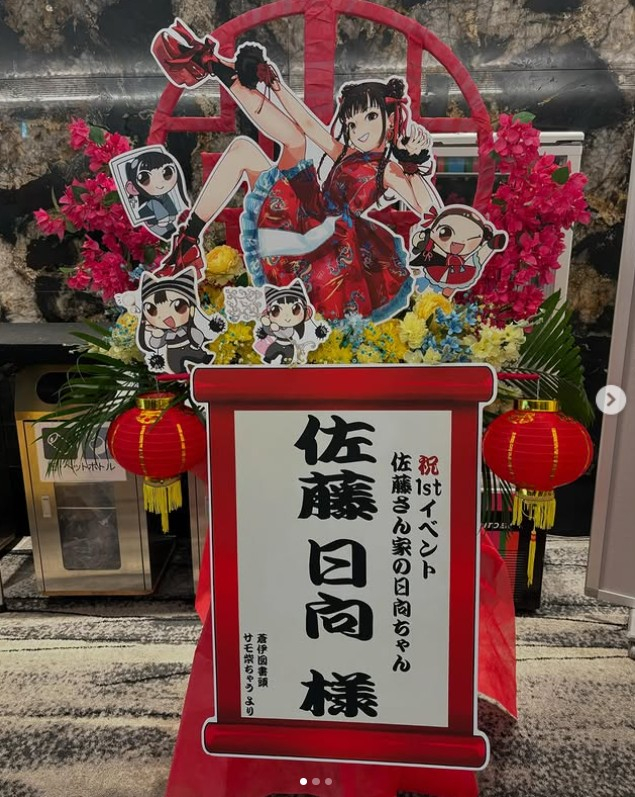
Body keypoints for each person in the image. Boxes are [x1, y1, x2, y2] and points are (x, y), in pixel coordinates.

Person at [153, 21, 442, 322]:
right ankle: (188, 241)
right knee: (249, 148)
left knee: (284, 143)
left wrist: (414, 162)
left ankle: (214, 66)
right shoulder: (345, 152)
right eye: (353, 123)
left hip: (326, 240)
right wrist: (274, 83)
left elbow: (429, 209)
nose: (360, 129)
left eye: (371, 116)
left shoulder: (388, 170)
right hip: (306, 208)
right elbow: (307, 125)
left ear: (391, 118)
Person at [410, 206, 508, 297]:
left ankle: (489, 246)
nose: (458, 243)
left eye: (471, 239)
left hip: (455, 271)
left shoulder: (459, 257)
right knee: (472, 262)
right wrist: (420, 240)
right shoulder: (432, 244)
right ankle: (489, 247)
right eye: (446, 233)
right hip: (437, 270)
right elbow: (418, 244)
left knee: (472, 261)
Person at [124, 149, 189, 240]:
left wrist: (172, 215)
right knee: (154, 203)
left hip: (167, 223)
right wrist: (163, 218)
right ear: (133, 188)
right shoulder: (148, 202)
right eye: (145, 178)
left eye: (167, 172)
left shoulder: (164, 196)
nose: (160, 182)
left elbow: (169, 205)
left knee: (173, 233)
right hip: (151, 219)